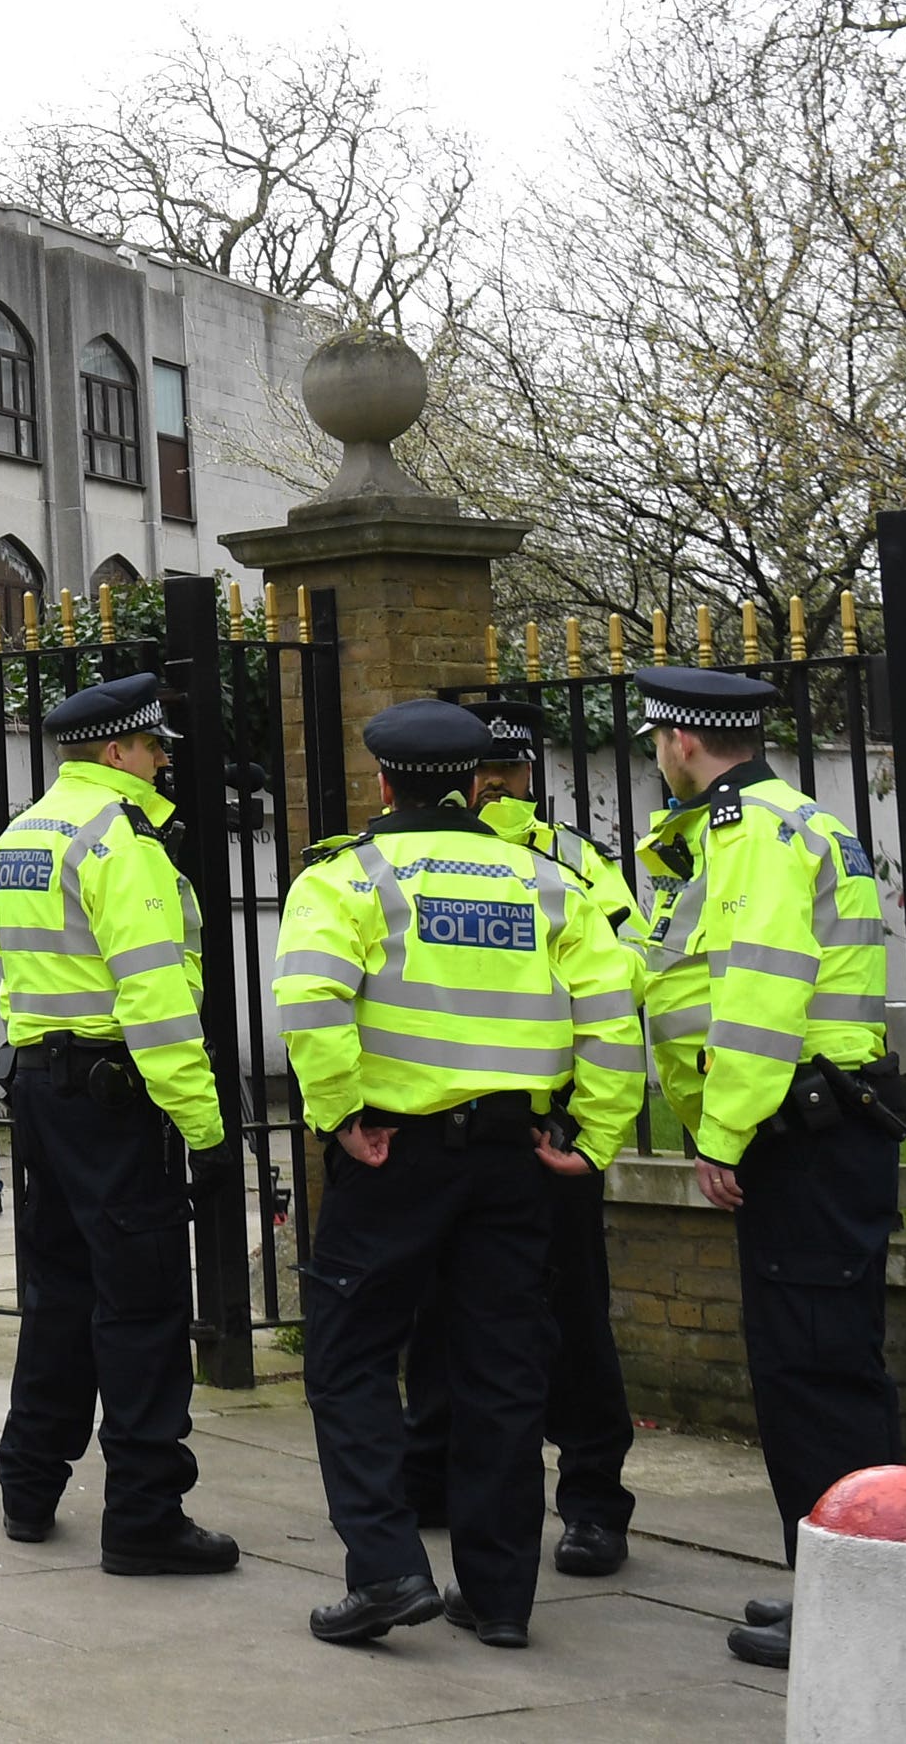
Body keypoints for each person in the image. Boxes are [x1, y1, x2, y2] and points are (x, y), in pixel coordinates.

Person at [278, 700, 644, 1652]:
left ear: (385, 783)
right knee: (502, 1370)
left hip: (393, 1153)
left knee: (351, 1355)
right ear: (475, 784)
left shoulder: (345, 875)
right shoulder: (547, 880)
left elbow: (311, 1001)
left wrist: (339, 1113)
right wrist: (595, 1137)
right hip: (513, 1159)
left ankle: (388, 1570)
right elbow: (612, 1013)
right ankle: (499, 1598)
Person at [633, 664, 904, 1673]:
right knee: (824, 1363)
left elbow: (758, 999)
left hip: (803, 1139)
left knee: (815, 1373)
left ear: (682, 741)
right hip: (827, 1136)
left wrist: (720, 1134)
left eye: (656, 739)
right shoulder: (801, 821)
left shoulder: (753, 838)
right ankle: (838, 1575)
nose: (657, 754)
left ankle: (855, 1599)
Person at [0, 673, 239, 1576]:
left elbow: (20, 982)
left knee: (57, 1291)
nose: (165, 760)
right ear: (113, 752)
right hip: (111, 1098)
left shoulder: (23, 833)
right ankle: (143, 1514)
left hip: (41, 1091)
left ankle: (28, 1487)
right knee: (140, 1304)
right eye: (153, 747)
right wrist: (205, 1129)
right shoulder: (118, 843)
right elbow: (156, 1002)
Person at [397, 699, 648, 1577]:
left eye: (511, 772)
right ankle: (430, 1475)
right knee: (438, 1316)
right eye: (486, 773)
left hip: (546, 1125)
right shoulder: (404, 856)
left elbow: (624, 976)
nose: (498, 787)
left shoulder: (571, 862)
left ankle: (589, 1500)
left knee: (568, 1317)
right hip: (454, 1121)